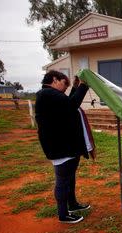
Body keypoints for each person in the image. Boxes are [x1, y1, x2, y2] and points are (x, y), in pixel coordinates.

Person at [35, 70, 94, 224]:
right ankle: (63, 214)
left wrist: (75, 88)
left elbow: (66, 103)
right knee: (63, 180)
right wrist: (83, 86)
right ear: (55, 79)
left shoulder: (49, 95)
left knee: (69, 178)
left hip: (64, 145)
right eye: (64, 84)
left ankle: (72, 204)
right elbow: (71, 104)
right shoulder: (48, 94)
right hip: (60, 146)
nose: (65, 88)